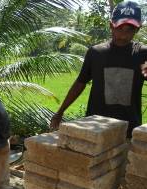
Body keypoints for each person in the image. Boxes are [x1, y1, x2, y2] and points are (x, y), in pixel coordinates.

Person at [50, 1, 147, 137]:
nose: (123, 35)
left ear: (138, 29)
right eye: (119, 28)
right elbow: (80, 83)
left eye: (129, 30)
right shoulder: (96, 53)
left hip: (128, 128)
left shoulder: (142, 55)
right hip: (95, 126)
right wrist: (60, 111)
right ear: (111, 25)